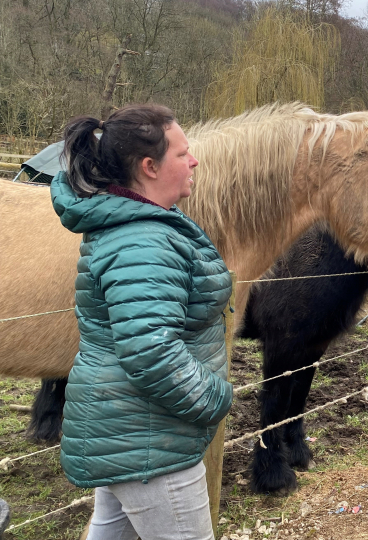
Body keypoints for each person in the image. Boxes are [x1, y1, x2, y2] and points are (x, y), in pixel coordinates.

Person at [52, 104, 233, 540]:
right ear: (149, 167)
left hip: (130, 426)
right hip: (152, 438)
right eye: (182, 153)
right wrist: (214, 399)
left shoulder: (140, 226)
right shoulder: (144, 240)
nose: (194, 161)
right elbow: (150, 350)